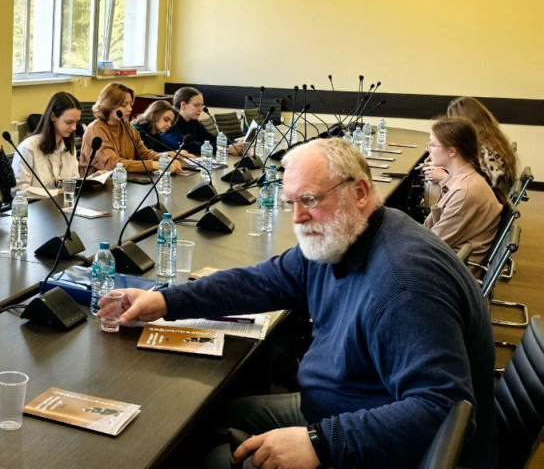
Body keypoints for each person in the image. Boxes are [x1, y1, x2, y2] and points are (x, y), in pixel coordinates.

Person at [100, 138, 496, 469]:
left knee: (214, 459)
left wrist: (320, 443)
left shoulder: (403, 284)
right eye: (291, 203)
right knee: (204, 421)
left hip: (378, 441)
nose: (299, 217)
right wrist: (164, 300)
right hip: (338, 404)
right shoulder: (343, 236)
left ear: (359, 193)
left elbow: (442, 411)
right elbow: (260, 282)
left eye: (309, 199)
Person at [422, 117, 502, 258]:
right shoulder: (462, 180)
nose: (427, 149)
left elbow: (431, 244)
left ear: (452, 151)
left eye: (432, 145)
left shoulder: (464, 191)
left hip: (449, 265)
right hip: (447, 257)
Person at [80, 83, 182, 174]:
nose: (130, 109)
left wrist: (163, 159)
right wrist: (153, 165)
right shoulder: (96, 129)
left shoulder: (126, 126)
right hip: (97, 186)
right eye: (124, 105)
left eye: (130, 104)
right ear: (109, 105)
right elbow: (112, 163)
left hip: (124, 180)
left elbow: (143, 153)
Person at [11, 91, 82, 198]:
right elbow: (19, 190)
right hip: (36, 207)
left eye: (76, 122)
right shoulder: (28, 147)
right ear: (53, 116)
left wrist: (91, 180)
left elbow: (73, 182)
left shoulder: (69, 146)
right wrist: (57, 193)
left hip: (62, 204)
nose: (74, 128)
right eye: (69, 122)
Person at [446, 96, 518, 192]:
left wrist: (445, 177)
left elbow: (478, 187)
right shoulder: (492, 138)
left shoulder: (484, 150)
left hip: (490, 197)